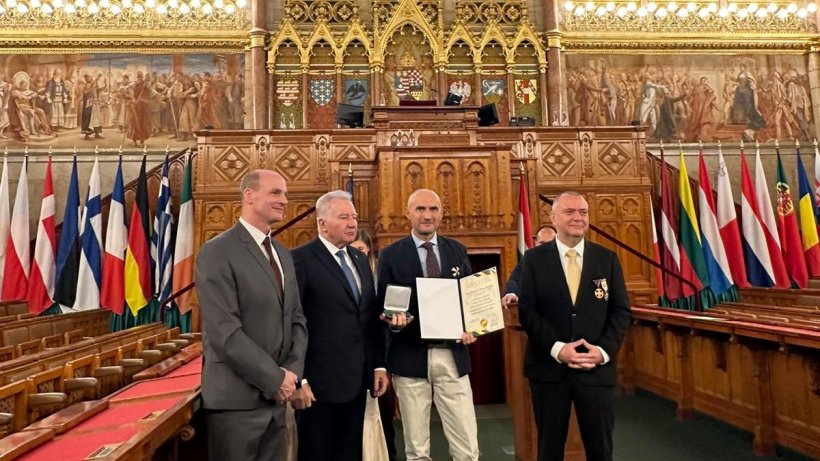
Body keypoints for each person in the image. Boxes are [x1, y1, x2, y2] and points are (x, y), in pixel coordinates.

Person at [195, 170, 308, 461]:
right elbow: (225, 332)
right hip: (236, 403)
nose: (284, 200)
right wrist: (274, 379)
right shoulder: (217, 251)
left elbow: (296, 319)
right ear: (249, 195)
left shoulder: (283, 254)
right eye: (275, 193)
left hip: (277, 400)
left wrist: (291, 375)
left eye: (285, 193)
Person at [518, 191, 631, 461]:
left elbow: (621, 311)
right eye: (570, 212)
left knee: (600, 449)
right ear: (553, 217)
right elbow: (528, 311)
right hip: (549, 370)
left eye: (583, 212)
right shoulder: (533, 260)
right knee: (550, 448)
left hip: (595, 370)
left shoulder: (607, 259)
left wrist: (602, 352)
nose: (578, 218)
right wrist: (558, 349)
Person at [377, 188, 480, 461]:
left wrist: (473, 326)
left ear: (441, 214)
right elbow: (384, 308)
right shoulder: (390, 255)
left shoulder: (457, 250)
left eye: (433, 209)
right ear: (408, 213)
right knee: (417, 449)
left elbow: (470, 301)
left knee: (467, 446)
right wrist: (393, 322)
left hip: (453, 355)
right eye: (420, 209)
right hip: (410, 357)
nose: (427, 215)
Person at [290, 191, 388, 461]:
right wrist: (299, 379)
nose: (352, 223)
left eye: (354, 217)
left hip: (358, 381)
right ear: (322, 224)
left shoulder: (359, 259)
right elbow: (291, 323)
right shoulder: (300, 260)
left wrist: (378, 365)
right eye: (344, 217)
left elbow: (368, 316)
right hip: (318, 386)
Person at [351, 228, 399, 461]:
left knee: (384, 418)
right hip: (352, 360)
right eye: (351, 249)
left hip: (381, 357)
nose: (355, 254)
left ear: (368, 250)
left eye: (359, 249)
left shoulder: (379, 279)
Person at [501, 224, 557, 308]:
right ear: (536, 243)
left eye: (550, 243)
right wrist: (511, 293)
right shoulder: (528, 261)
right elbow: (514, 281)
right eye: (542, 243)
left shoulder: (567, 261)